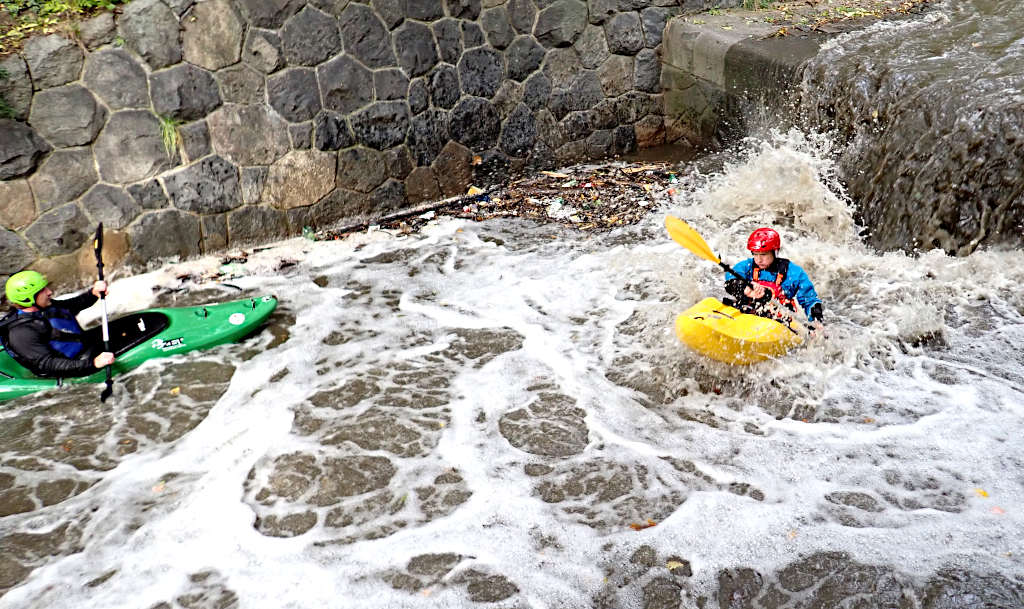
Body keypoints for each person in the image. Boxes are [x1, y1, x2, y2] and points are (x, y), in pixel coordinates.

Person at [0, 271, 115, 378]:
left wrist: (93, 294)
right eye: (42, 290)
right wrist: (94, 364)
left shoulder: (42, 306)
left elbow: (69, 307)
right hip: (74, 365)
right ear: (27, 299)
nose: (49, 292)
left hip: (85, 345)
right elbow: (48, 364)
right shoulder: (21, 332)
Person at [723, 228, 825, 332]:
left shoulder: (793, 273)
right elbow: (731, 280)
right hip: (748, 314)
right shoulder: (747, 266)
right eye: (755, 254)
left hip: (777, 322)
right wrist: (746, 289)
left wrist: (816, 320)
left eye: (763, 254)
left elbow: (809, 300)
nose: (758, 259)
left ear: (775, 252)